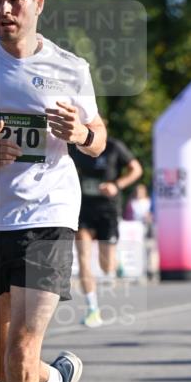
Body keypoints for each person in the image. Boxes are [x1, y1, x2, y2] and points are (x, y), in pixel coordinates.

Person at [0, 0, 106, 382]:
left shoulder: (70, 68)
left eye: (15, 0)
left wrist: (82, 131)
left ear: (38, 3)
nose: (4, 10)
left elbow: (98, 138)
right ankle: (52, 379)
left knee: (18, 349)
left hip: (47, 216)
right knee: (5, 364)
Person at [69, 134, 143, 326]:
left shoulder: (114, 147)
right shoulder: (75, 147)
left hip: (108, 210)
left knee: (106, 266)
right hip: (83, 209)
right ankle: (92, 308)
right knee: (83, 257)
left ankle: (115, 262)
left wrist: (117, 185)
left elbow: (136, 170)